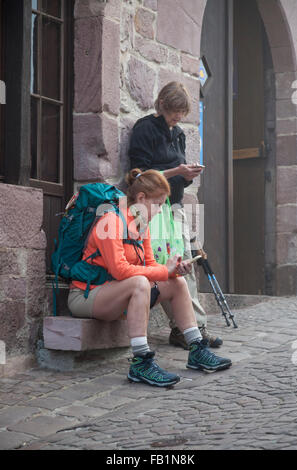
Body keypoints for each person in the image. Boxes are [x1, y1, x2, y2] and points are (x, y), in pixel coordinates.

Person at [67, 169, 232, 387]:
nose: (160, 210)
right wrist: (164, 271)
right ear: (141, 198)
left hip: (117, 292)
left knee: (177, 283)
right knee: (139, 283)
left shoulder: (140, 225)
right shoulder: (112, 221)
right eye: (157, 203)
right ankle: (141, 363)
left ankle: (197, 349)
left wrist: (172, 270)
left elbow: (151, 266)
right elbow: (120, 271)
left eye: (164, 204)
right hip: (87, 296)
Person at [128, 81, 223, 350]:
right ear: (162, 105)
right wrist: (175, 172)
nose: (178, 118)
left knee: (184, 267)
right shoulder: (145, 129)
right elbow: (139, 174)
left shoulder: (178, 133)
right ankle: (183, 329)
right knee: (164, 267)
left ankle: (195, 328)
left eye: (181, 113)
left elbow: (178, 175)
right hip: (153, 208)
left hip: (175, 207)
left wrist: (188, 174)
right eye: (174, 113)